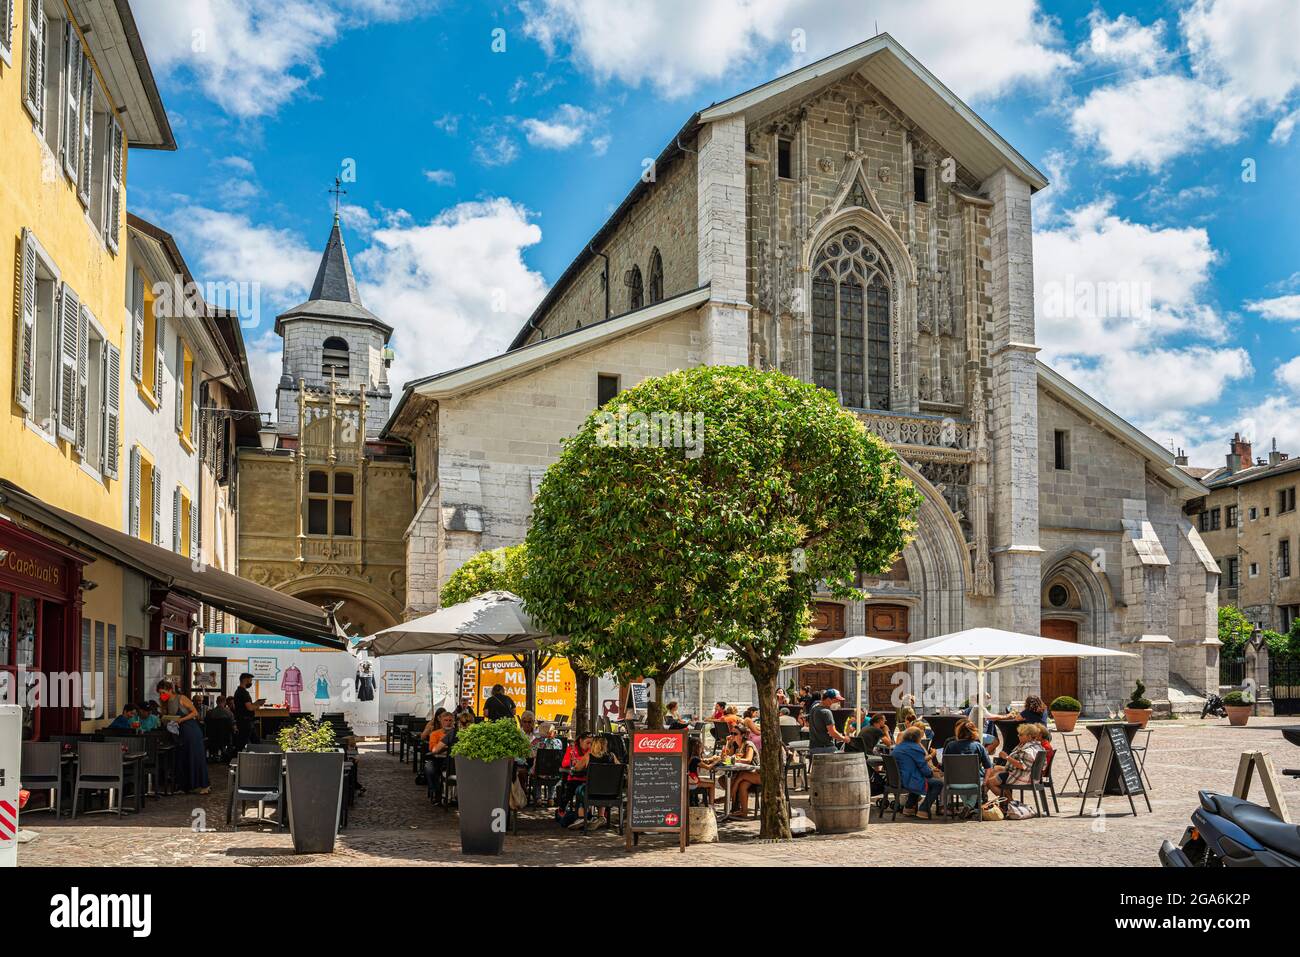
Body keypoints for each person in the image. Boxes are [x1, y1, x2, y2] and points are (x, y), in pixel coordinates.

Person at [157, 680, 210, 794]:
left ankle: (204, 785)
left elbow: (195, 713)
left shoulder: (181, 698)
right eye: (160, 693)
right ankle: (183, 786)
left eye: (163, 692)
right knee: (181, 758)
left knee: (195, 757)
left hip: (191, 731)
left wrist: (181, 719)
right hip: (178, 732)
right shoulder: (165, 702)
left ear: (170, 690)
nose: (161, 695)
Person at [941, 718, 993, 814]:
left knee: (962, 779)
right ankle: (969, 806)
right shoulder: (978, 746)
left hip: (954, 783)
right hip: (974, 782)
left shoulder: (950, 745)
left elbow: (944, 768)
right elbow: (988, 768)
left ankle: (967, 807)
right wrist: (985, 783)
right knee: (979, 781)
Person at [985, 723, 1046, 799]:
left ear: (1029, 736)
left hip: (1023, 777)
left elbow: (1022, 765)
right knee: (995, 769)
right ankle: (984, 796)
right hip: (1032, 776)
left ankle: (1009, 802)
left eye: (1021, 734)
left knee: (990, 782)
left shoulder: (1027, 750)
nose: (1018, 736)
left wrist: (1006, 757)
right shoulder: (1038, 746)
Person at [894, 725, 943, 819]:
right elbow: (925, 771)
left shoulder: (899, 747)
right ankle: (923, 809)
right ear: (917, 738)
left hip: (898, 779)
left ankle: (909, 807)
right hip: (909, 780)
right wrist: (933, 773)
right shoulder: (915, 748)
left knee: (920, 777)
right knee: (938, 783)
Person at [557, 732, 593, 829]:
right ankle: (562, 808)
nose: (589, 745)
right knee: (570, 790)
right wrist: (573, 761)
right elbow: (564, 763)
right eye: (587, 743)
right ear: (581, 741)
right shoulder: (572, 749)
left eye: (591, 743)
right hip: (574, 778)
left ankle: (585, 815)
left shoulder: (591, 751)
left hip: (587, 779)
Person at [808, 688, 852, 754]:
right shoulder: (826, 712)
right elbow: (832, 732)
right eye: (836, 701)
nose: (838, 704)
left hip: (813, 747)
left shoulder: (814, 707)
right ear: (828, 699)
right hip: (826, 748)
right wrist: (844, 739)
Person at [231, 673, 264, 750]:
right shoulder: (243, 692)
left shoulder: (238, 691)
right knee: (243, 742)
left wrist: (255, 704)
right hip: (245, 722)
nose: (251, 682)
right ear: (245, 680)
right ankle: (237, 758)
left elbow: (245, 705)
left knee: (254, 741)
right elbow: (249, 708)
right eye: (250, 680)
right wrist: (258, 705)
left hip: (243, 721)